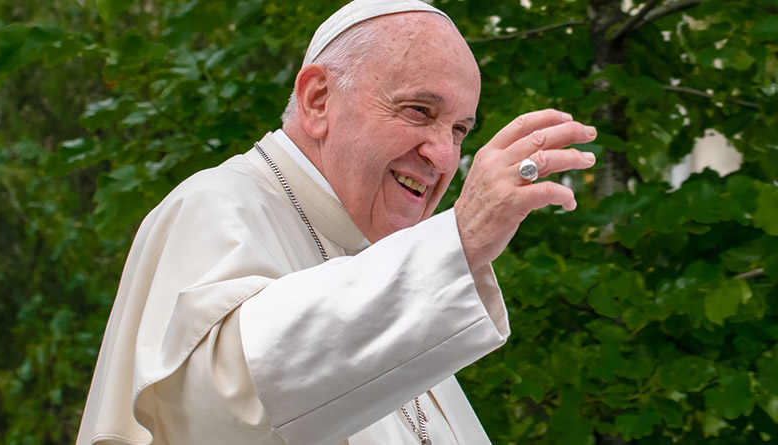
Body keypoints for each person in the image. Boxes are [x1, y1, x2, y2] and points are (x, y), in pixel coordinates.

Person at [76, 0, 597, 444]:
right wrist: (457, 241)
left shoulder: (372, 259)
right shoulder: (218, 204)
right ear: (318, 100)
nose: (444, 156)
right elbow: (213, 412)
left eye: (460, 130)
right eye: (418, 111)